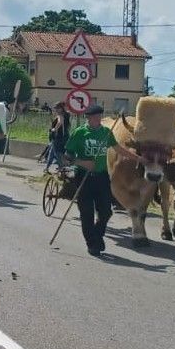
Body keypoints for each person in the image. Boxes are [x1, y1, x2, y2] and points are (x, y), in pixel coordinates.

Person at [63, 104, 142, 256]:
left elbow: (119, 149)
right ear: (89, 118)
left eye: (100, 116)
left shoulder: (106, 132)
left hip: (102, 177)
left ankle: (97, 236)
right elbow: (66, 157)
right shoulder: (80, 133)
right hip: (83, 177)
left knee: (105, 212)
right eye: (95, 117)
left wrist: (139, 158)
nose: (98, 119)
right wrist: (82, 162)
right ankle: (92, 243)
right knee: (86, 213)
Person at [41, 101, 71, 171]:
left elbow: (60, 122)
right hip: (65, 136)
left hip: (58, 137)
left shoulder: (60, 115)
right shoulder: (67, 115)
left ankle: (61, 167)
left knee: (57, 152)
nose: (56, 110)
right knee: (52, 151)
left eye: (58, 108)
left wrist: (54, 129)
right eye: (56, 108)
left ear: (61, 108)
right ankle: (47, 168)